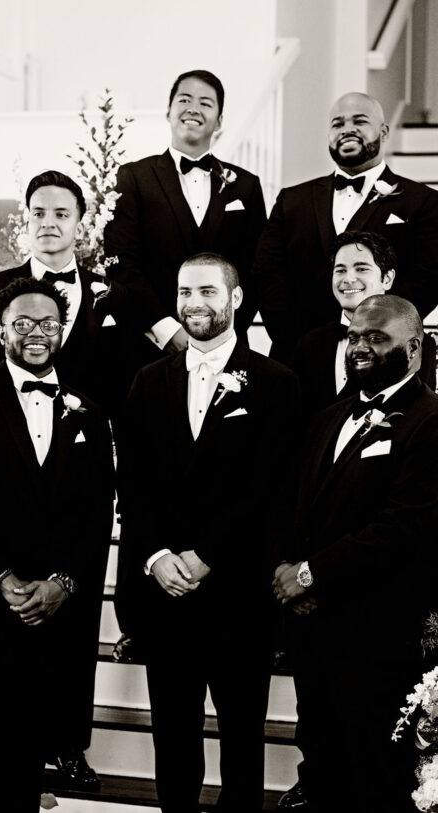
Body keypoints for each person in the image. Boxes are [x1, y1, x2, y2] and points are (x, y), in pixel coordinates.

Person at [116, 253, 299, 812]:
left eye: (208, 292)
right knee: (173, 743)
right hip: (166, 593)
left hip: (238, 595)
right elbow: (135, 483)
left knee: (242, 744)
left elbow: (273, 489)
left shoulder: (276, 383)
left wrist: (207, 555)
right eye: (185, 292)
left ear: (236, 299)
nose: (194, 303)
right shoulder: (147, 381)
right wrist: (156, 557)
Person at [0, 277, 115, 811]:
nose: (37, 334)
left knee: (20, 770)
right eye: (24, 324)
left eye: (48, 324)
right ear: (2, 331)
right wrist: (3, 579)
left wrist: (63, 582)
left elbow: (95, 513)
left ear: (62, 331)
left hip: (46, 619)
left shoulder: (89, 410)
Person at [274, 295, 438, 813]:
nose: (361, 346)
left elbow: (403, 526)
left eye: (376, 337)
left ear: (414, 347)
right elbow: (295, 506)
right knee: (319, 764)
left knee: (375, 780)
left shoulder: (431, 422)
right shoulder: (325, 418)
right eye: (354, 336)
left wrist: (311, 573)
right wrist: (288, 573)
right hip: (314, 630)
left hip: (380, 636)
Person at [254, 92, 438, 363]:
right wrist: (300, 340)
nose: (347, 129)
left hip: (386, 355)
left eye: (360, 121)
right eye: (337, 124)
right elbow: (266, 273)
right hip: (298, 354)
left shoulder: (422, 201)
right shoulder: (292, 200)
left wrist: (380, 334)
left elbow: (428, 277)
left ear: (384, 132)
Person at [103, 69, 267, 354]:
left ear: (219, 121)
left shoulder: (246, 186)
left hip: (227, 343)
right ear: (168, 112)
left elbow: (257, 267)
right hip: (150, 346)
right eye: (184, 100)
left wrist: (226, 329)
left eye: (206, 103)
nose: (193, 109)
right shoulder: (134, 178)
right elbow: (122, 262)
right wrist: (166, 329)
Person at [0, 170, 115, 416]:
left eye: (61, 214)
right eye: (38, 214)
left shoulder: (112, 293)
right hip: (6, 440)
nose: (47, 223)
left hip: (84, 445)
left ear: (80, 226)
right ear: (28, 223)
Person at [290, 230, 436, 424]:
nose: (348, 279)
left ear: (387, 278)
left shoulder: (416, 344)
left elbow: (416, 415)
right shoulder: (310, 343)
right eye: (340, 270)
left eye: (361, 269)